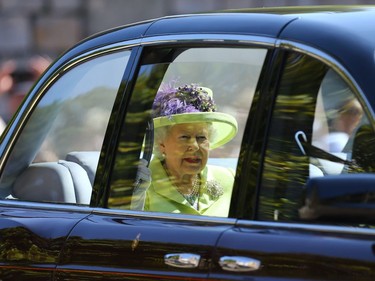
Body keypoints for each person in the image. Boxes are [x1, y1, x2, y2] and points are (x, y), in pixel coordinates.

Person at [135, 83, 238, 217]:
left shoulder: (229, 178)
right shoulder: (141, 186)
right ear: (161, 143)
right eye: (184, 137)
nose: (195, 146)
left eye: (201, 137)